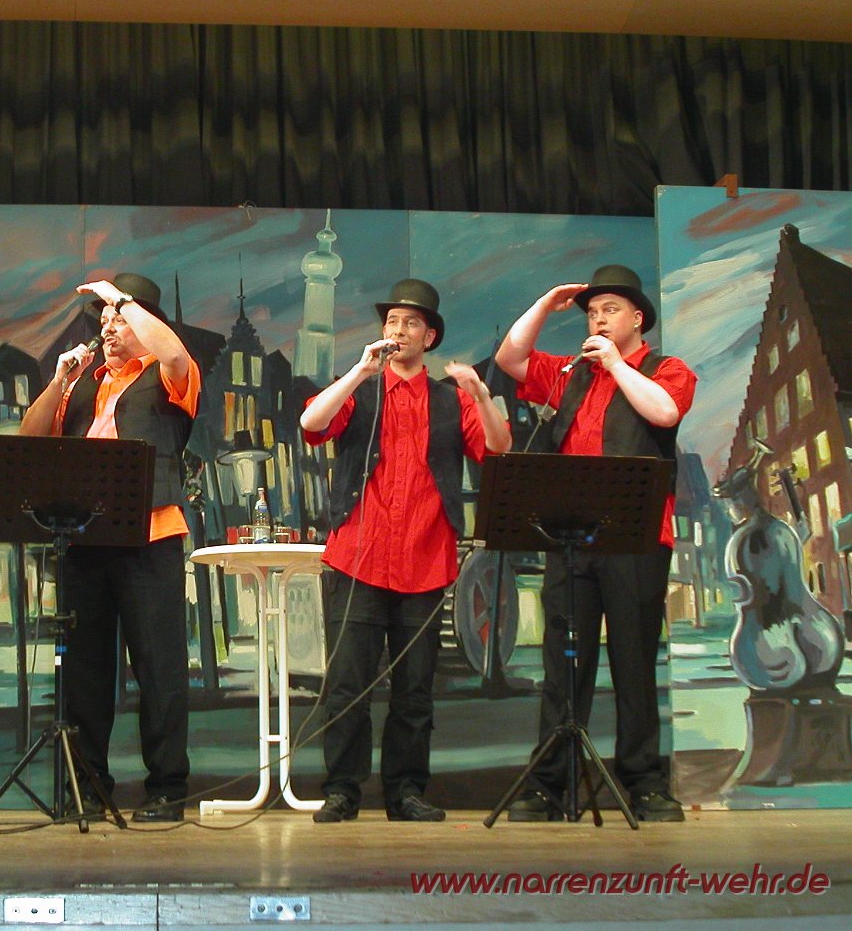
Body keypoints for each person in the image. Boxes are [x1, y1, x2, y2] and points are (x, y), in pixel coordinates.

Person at [299, 279, 511, 824]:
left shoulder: (450, 400)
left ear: (429, 336)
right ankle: (342, 790)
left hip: (425, 558)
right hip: (358, 557)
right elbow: (311, 423)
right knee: (346, 685)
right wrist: (358, 372)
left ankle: (406, 791)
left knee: (414, 690)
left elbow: (498, 448)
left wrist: (480, 393)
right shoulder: (361, 390)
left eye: (411, 322)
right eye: (392, 321)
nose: (398, 330)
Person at [494, 264, 697, 823]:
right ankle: (550, 784)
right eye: (592, 312)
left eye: (611, 310)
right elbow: (511, 359)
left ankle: (644, 782)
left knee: (634, 661)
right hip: (570, 538)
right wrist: (545, 301)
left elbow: (665, 411)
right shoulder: (571, 374)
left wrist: (615, 365)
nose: (599, 320)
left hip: (636, 537)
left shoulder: (667, 369)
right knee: (564, 664)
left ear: (637, 319)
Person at [19, 272, 200, 823]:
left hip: (150, 534)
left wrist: (120, 298)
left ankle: (167, 787)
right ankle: (88, 785)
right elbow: (30, 439)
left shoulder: (168, 375)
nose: (109, 327)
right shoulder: (82, 384)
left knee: (158, 667)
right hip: (85, 538)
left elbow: (174, 352)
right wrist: (59, 381)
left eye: (119, 319)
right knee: (85, 671)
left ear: (146, 323)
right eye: (104, 320)